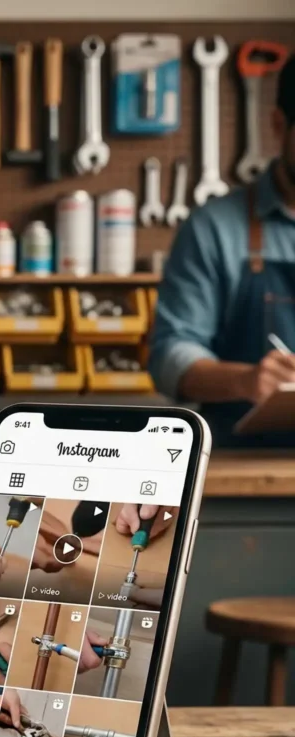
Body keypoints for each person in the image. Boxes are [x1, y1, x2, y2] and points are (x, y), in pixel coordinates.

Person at [149, 54, 295, 445]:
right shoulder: (212, 228)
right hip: (242, 469)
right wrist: (246, 380)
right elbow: (170, 356)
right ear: (280, 126)